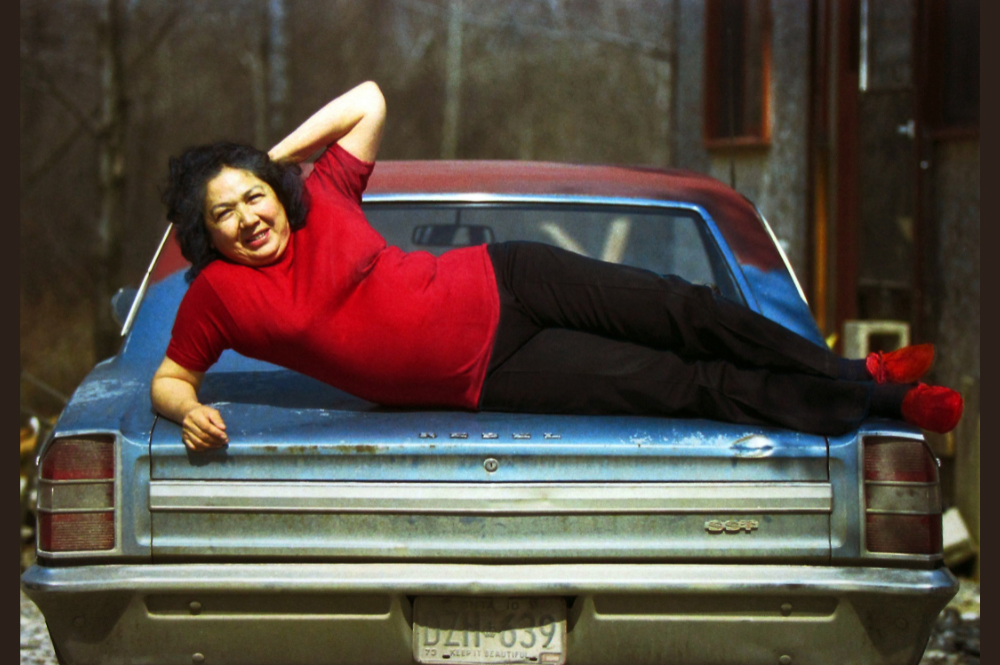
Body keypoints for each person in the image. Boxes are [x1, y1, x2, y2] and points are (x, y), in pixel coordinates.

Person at [151, 81, 963, 452]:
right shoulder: (219, 294)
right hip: (490, 373)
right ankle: (880, 402)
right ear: (204, 232)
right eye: (223, 212)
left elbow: (367, 98)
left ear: (275, 189)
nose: (247, 217)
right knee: (680, 383)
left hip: (508, 276)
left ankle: (857, 371)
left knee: (684, 310)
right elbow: (170, 376)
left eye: (253, 195)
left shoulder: (323, 196)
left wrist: (264, 159)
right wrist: (186, 410)